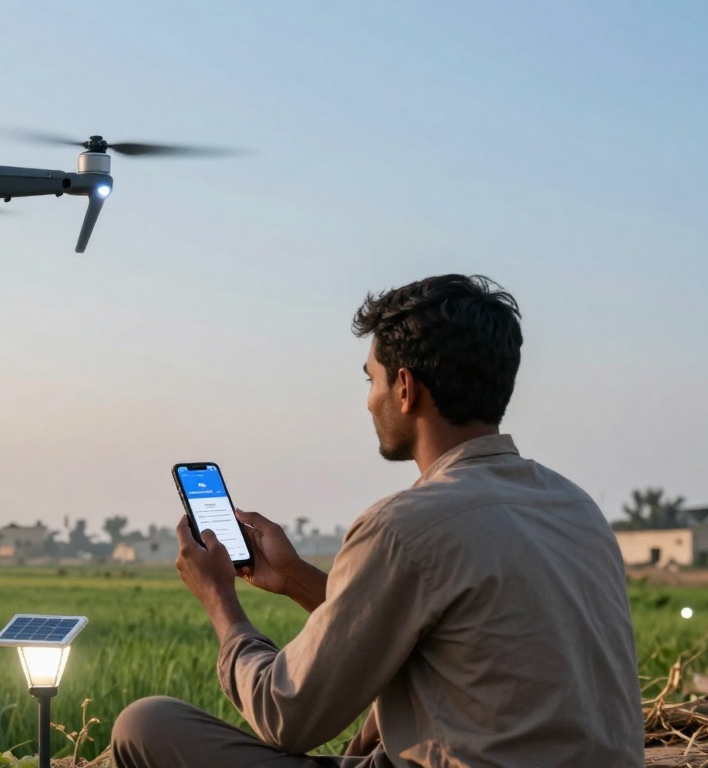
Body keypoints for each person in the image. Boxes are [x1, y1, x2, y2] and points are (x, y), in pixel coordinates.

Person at [112, 275, 643, 768]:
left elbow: (288, 717)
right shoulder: (576, 507)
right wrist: (294, 576)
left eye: (373, 379)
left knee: (146, 724)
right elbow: (433, 631)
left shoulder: (406, 525)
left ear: (406, 389)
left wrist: (220, 602)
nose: (370, 401)